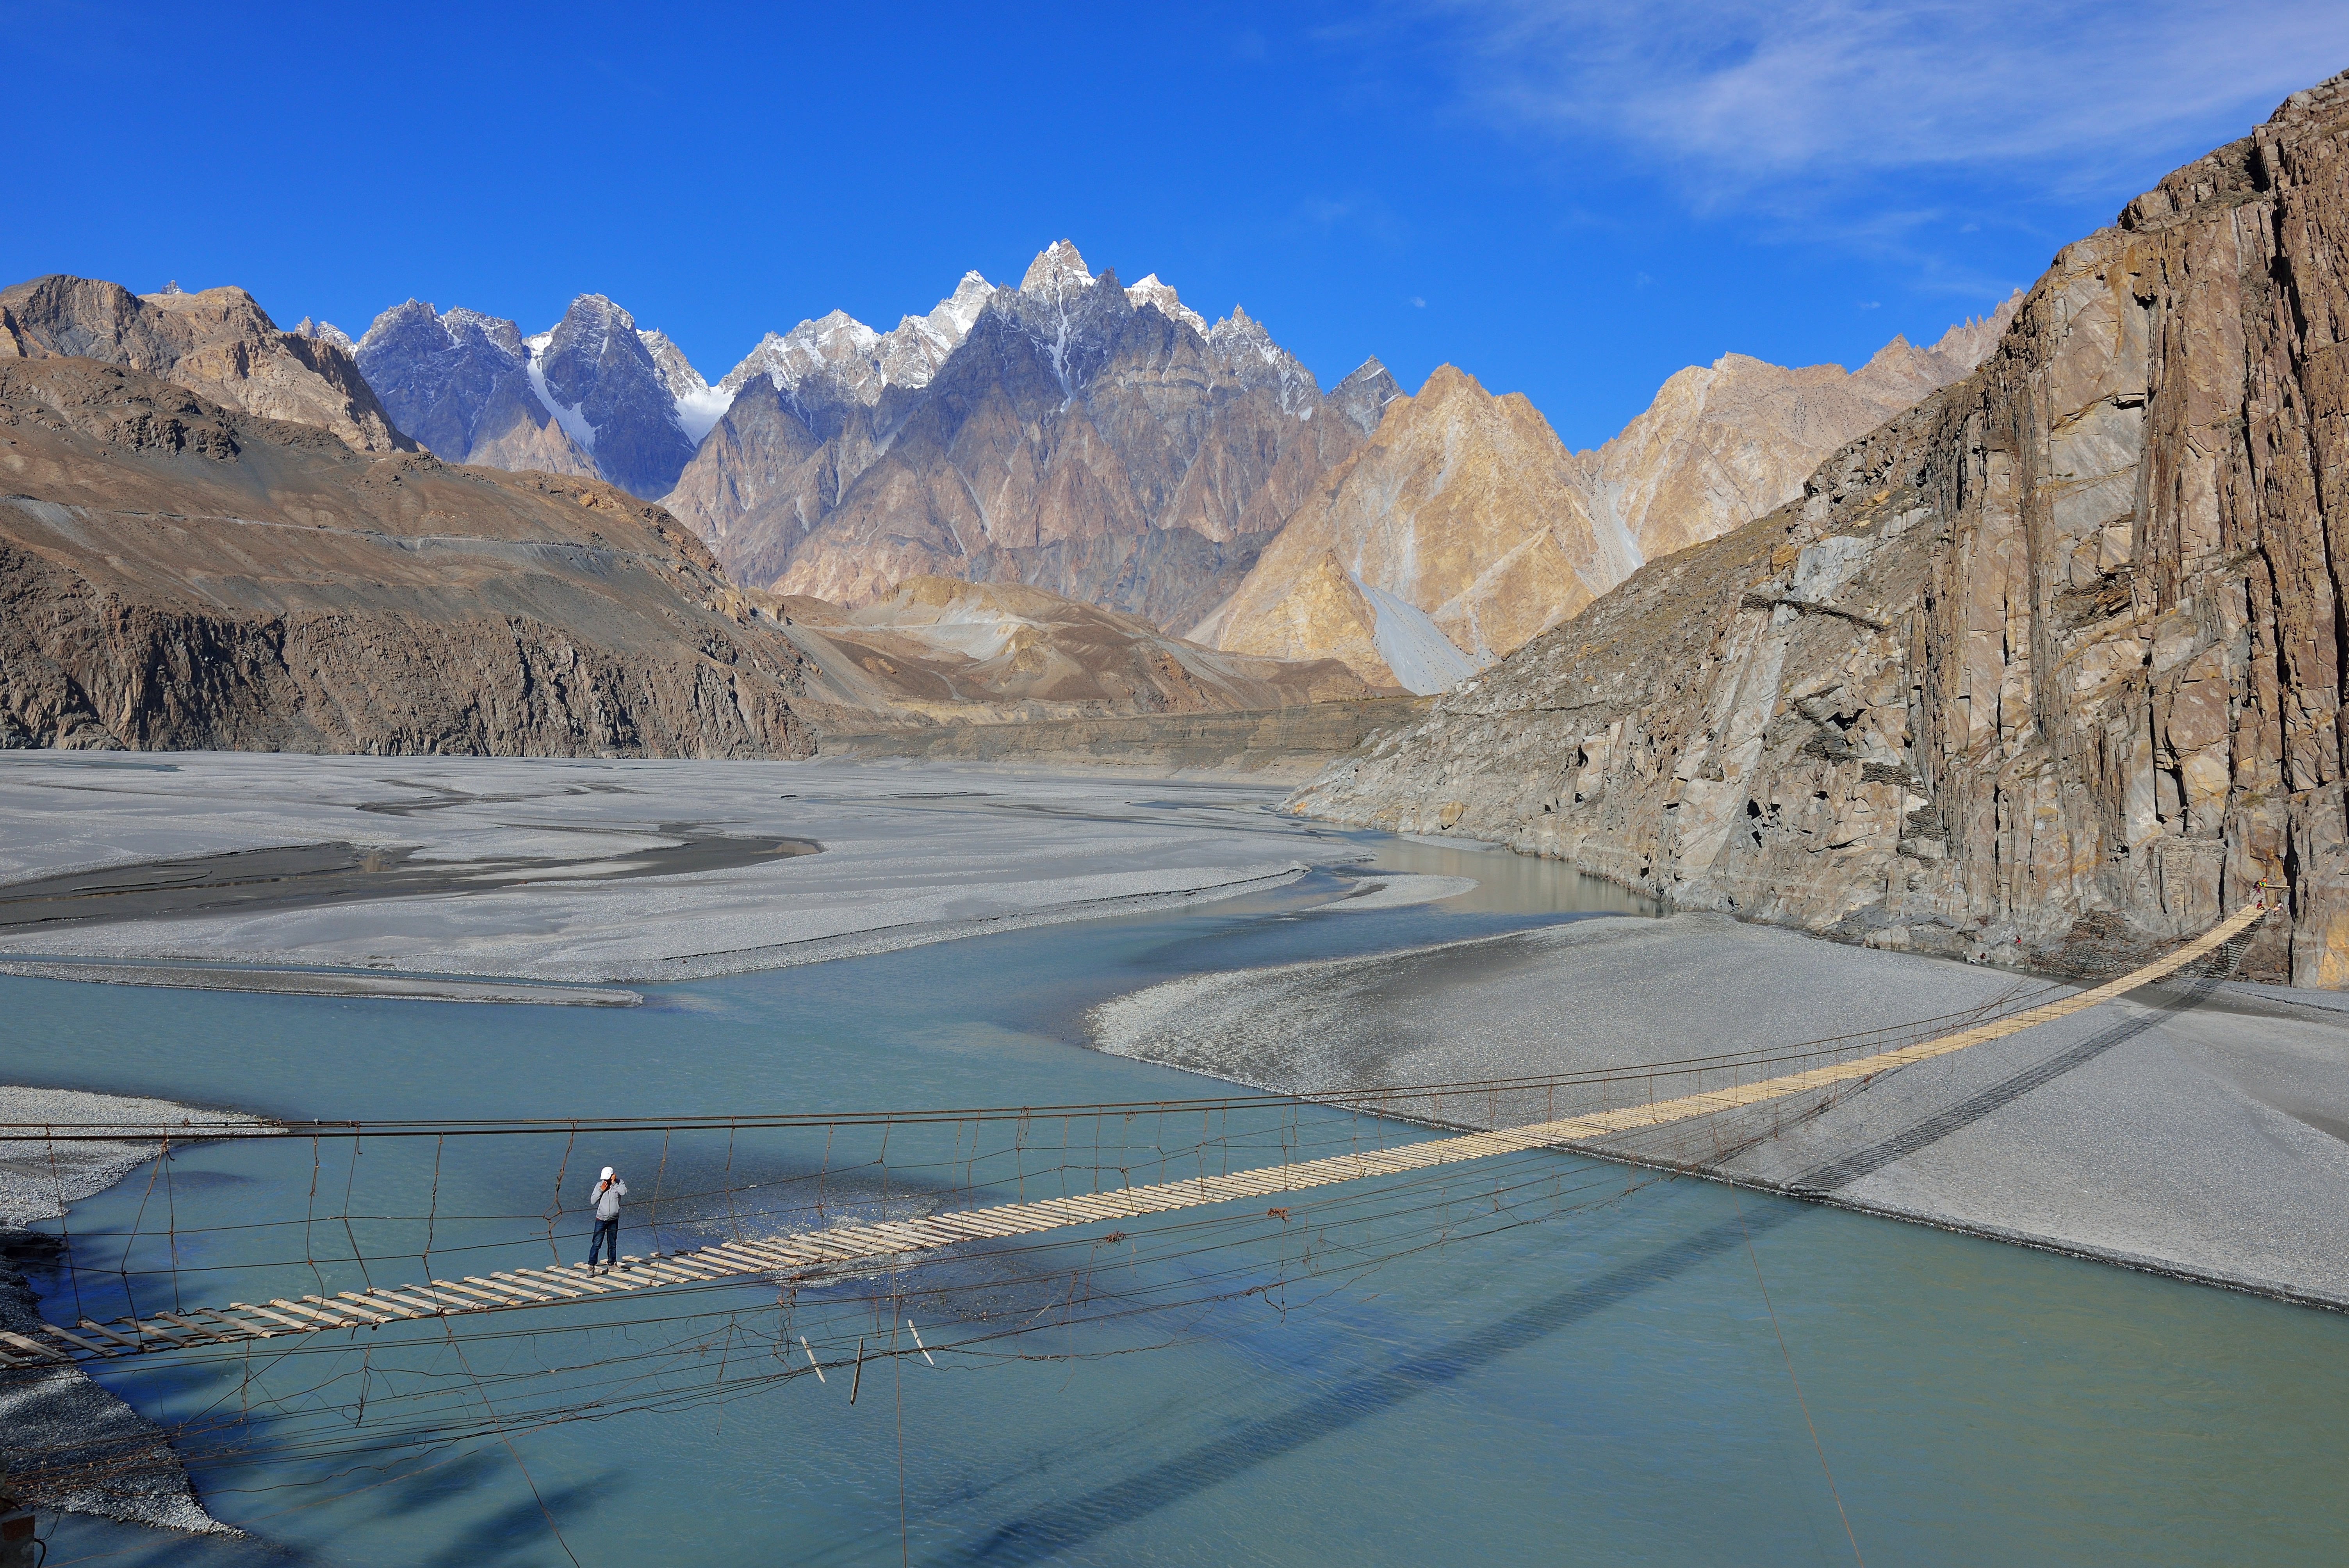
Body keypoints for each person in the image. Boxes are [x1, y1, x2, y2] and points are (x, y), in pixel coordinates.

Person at [585, 1166, 627, 1273]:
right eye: (604, 1179)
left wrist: (614, 1184)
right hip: (601, 1220)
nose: (606, 1181)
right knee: (597, 1244)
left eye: (608, 1179)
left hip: (614, 1219)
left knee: (612, 1243)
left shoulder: (619, 1183)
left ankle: (612, 1264)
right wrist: (601, 1190)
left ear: (613, 1176)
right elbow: (593, 1201)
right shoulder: (600, 1185)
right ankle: (591, 1266)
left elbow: (624, 1192)